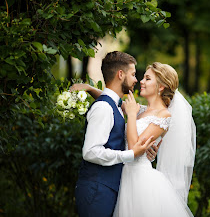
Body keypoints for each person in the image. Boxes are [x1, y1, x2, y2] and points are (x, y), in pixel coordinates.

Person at [75, 62, 196, 216]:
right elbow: (112, 101)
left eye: (147, 78)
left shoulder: (163, 116)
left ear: (160, 87)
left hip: (140, 181)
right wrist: (90, 89)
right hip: (123, 176)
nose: (141, 81)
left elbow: (134, 148)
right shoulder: (142, 110)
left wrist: (131, 115)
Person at [74, 51, 157, 217]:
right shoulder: (104, 108)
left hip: (107, 189)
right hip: (97, 191)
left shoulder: (115, 106)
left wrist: (90, 88)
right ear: (120, 74)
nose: (136, 80)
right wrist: (131, 154)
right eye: (133, 74)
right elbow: (90, 152)